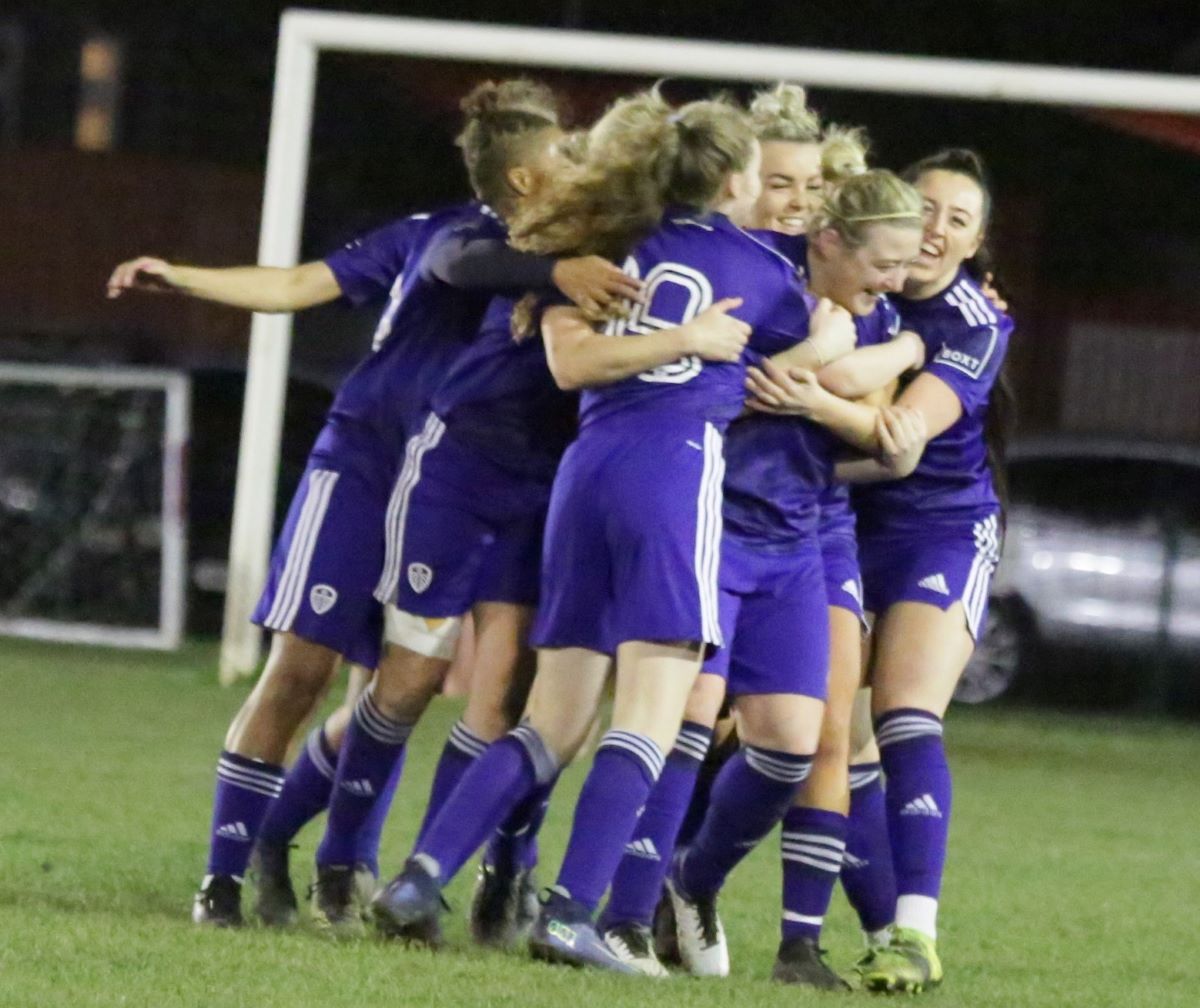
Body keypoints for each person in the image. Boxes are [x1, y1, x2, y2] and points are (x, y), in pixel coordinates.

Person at [109, 78, 636, 929]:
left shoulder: (590, 255)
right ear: (526, 179)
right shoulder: (456, 235)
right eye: (562, 154)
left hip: (484, 485)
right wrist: (183, 277)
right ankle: (227, 875)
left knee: (420, 689)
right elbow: (306, 284)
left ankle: (360, 864)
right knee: (305, 672)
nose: (578, 164)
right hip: (367, 467)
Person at [369, 86, 822, 972]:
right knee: (652, 715)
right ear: (734, 177)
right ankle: (574, 914)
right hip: (672, 474)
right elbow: (773, 378)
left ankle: (419, 878)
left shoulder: (603, 242)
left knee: (551, 722)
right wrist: (834, 344)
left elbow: (572, 362)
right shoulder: (767, 276)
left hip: (586, 476)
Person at [753, 148, 1013, 994]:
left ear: (978, 243)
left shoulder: (975, 320)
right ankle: (860, 926)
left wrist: (810, 397)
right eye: (928, 209)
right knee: (822, 738)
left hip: (939, 529)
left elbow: (903, 434)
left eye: (959, 221)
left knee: (903, 715)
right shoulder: (851, 281)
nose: (937, 231)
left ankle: (915, 932)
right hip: (836, 520)